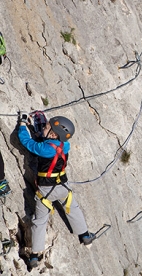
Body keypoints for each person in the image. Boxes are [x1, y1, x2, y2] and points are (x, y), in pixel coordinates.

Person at [17, 115, 95, 269]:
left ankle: (34, 256)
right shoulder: (65, 145)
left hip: (46, 191)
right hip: (64, 187)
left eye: (45, 127)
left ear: (53, 134)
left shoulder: (44, 149)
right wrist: (41, 133)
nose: (43, 128)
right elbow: (50, 143)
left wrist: (22, 126)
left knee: (39, 221)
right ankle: (85, 235)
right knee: (73, 209)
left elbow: (28, 143)